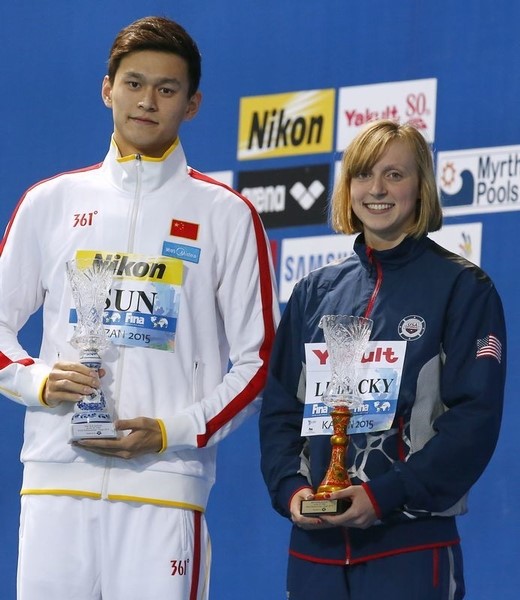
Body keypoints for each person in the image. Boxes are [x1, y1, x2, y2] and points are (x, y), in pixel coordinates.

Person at [0, 16, 278, 600]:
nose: (147, 101)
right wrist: (39, 383)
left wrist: (170, 431)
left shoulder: (225, 215)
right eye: (133, 83)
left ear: (193, 104)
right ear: (107, 90)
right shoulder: (51, 203)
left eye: (167, 89)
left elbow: (260, 363)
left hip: (164, 486)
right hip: (55, 485)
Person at [259, 119, 506, 600]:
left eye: (395, 175)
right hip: (315, 553)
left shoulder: (463, 288)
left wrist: (383, 495)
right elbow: (280, 412)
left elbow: (474, 422)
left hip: (409, 547)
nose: (377, 189)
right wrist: (291, 490)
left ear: (422, 188)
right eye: (363, 174)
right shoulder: (314, 292)